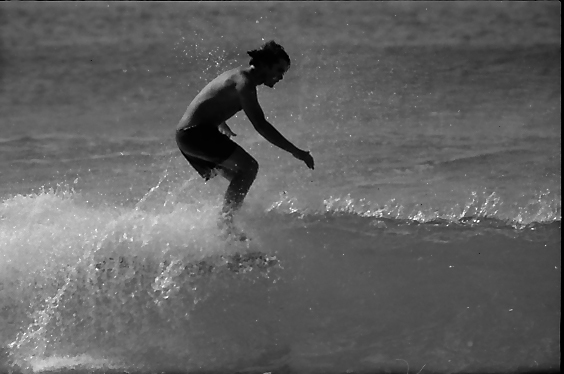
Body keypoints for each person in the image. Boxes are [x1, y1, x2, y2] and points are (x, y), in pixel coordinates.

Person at [176, 40, 314, 239]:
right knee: (249, 167)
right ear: (265, 64)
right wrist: (296, 151)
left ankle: (227, 233)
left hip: (188, 136)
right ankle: (225, 225)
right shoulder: (245, 82)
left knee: (239, 179)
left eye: (283, 73)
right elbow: (260, 125)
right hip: (195, 134)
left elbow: (213, 98)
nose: (281, 77)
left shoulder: (238, 76)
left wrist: (220, 122)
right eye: (278, 70)